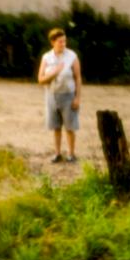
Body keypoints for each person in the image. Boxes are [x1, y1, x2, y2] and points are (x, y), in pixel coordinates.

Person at [37, 27, 83, 163]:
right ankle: (57, 154)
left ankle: (71, 154)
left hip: (68, 95)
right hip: (51, 96)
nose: (63, 44)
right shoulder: (46, 57)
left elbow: (78, 78)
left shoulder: (72, 56)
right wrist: (55, 72)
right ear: (52, 42)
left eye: (64, 41)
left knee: (70, 127)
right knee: (56, 127)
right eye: (60, 42)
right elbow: (40, 80)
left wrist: (77, 97)